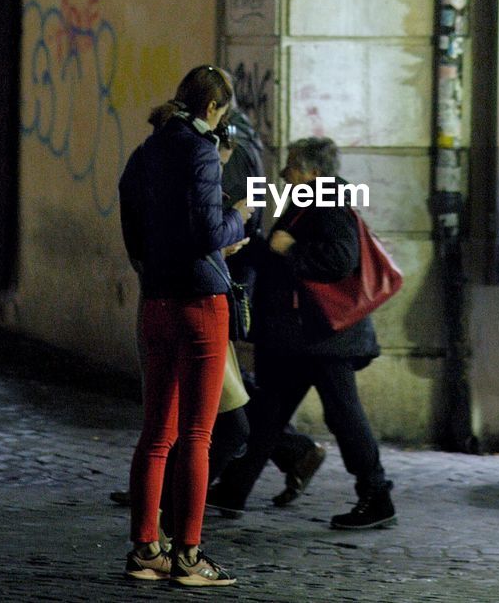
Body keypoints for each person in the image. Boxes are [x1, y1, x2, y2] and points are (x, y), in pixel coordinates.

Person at [207, 137, 395, 529]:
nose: (284, 172)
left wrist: (287, 250)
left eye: (292, 165)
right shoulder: (308, 201)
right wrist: (251, 244)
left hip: (322, 337)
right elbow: (280, 256)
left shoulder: (327, 202)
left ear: (314, 171)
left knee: (343, 415)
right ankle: (233, 489)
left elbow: (339, 259)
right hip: (298, 337)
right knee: (267, 413)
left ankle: (376, 497)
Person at [118, 65, 250, 587]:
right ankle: (189, 557)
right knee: (197, 434)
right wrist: (238, 219)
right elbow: (207, 231)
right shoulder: (198, 152)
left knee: (155, 435)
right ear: (214, 108)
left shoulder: (147, 151)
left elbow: (131, 222)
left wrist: (151, 263)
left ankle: (146, 548)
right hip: (199, 302)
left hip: (156, 298)